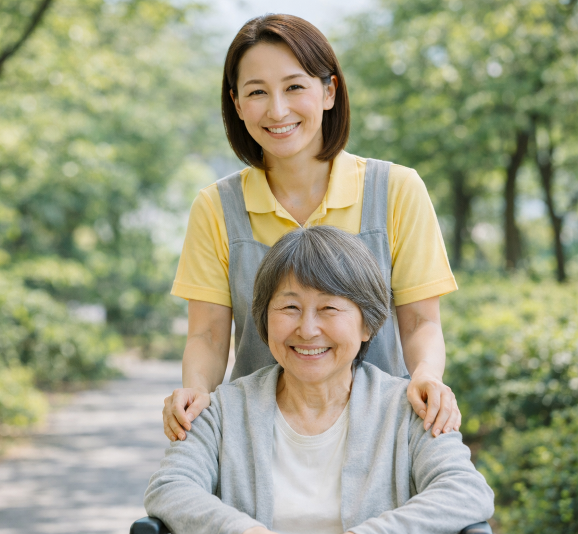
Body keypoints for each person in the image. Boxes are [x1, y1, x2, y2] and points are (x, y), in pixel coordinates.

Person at [164, 14, 461, 442]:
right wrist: (195, 389)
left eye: (294, 87)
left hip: (383, 437)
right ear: (237, 104)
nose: (278, 109)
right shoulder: (216, 206)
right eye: (257, 93)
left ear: (328, 91)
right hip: (258, 441)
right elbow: (208, 334)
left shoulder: (396, 190)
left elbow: (420, 324)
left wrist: (428, 376)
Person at [146, 226, 494, 534]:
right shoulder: (222, 410)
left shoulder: (409, 410)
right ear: (265, 320)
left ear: (367, 324)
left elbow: (465, 492)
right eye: (290, 308)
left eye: (329, 309)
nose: (308, 329)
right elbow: (170, 487)